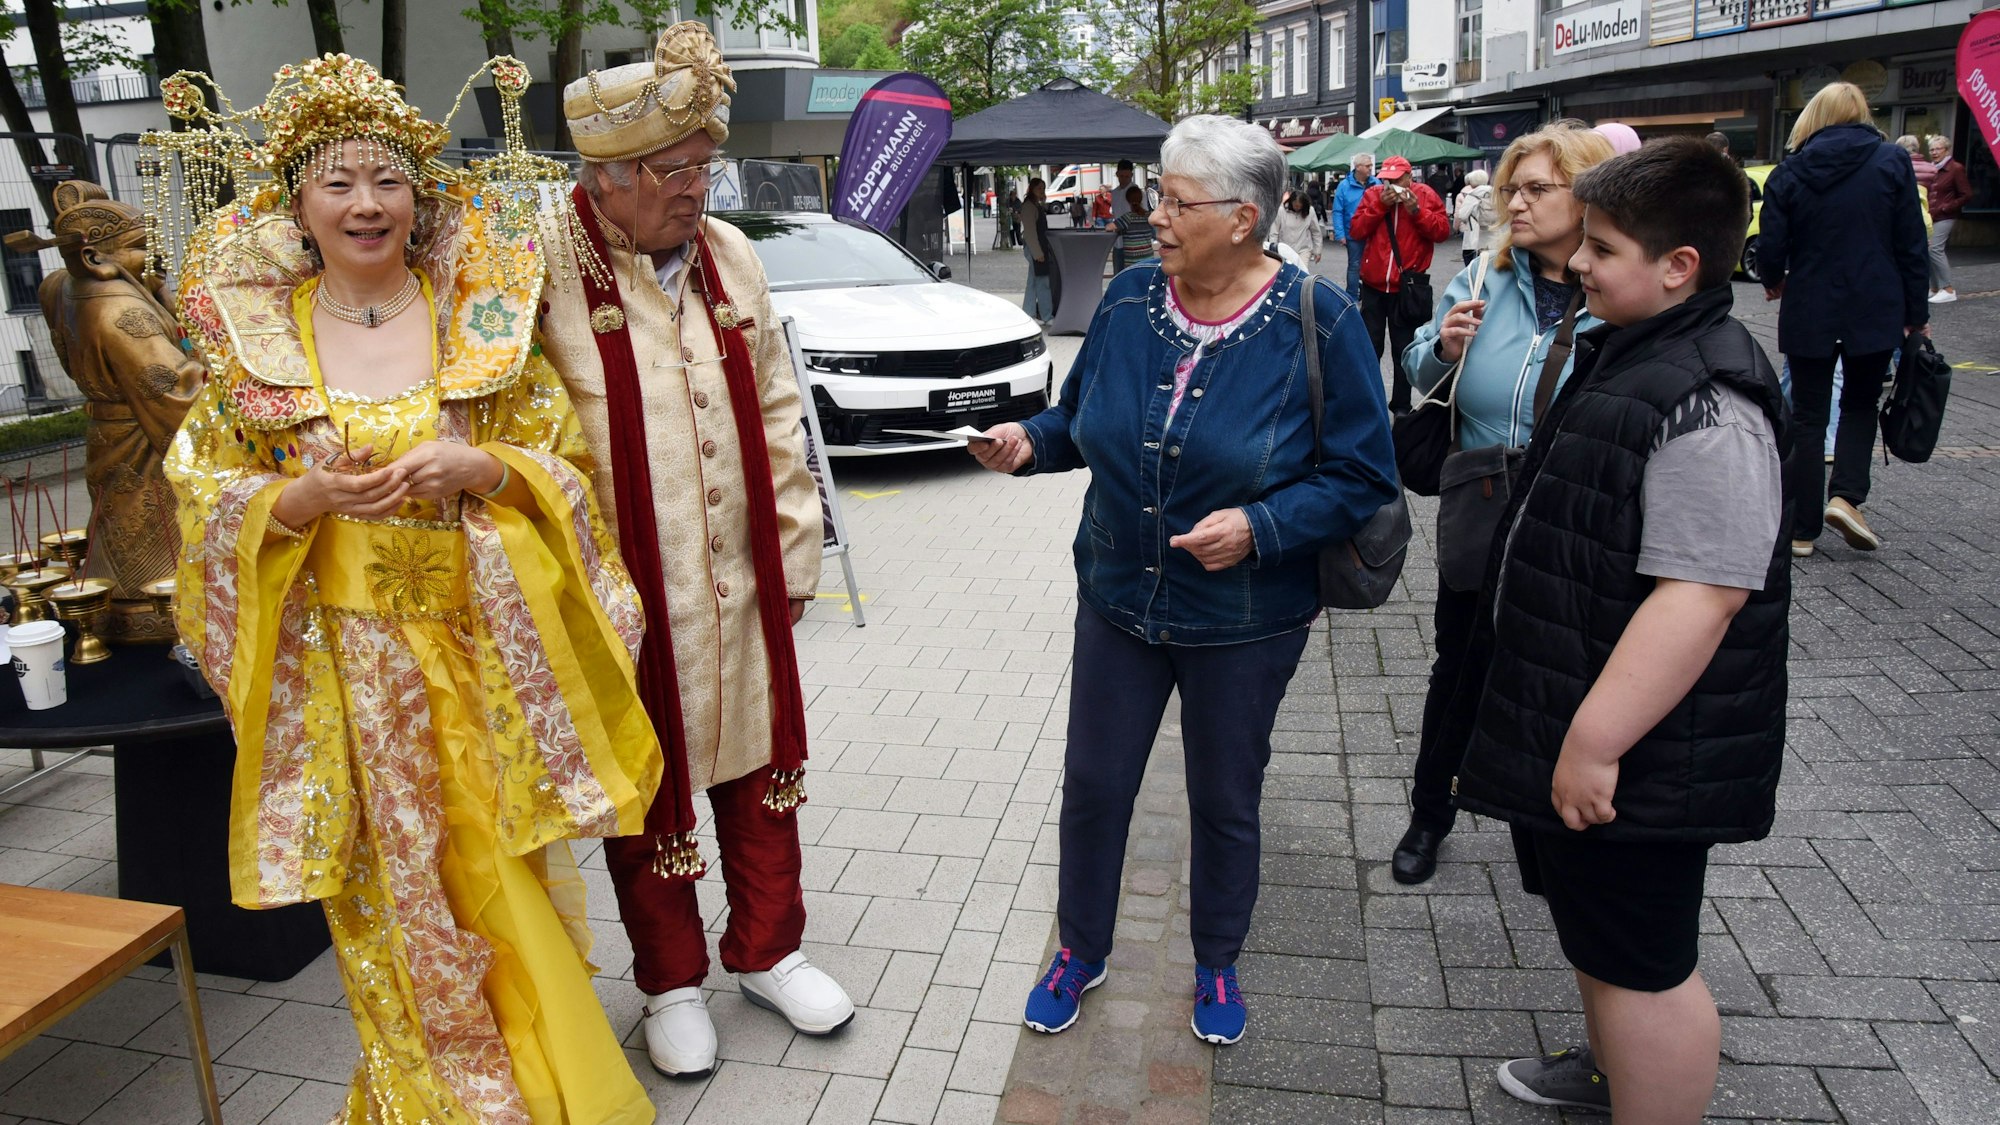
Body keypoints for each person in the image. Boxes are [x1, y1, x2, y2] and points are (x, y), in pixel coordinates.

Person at [158, 54, 664, 1121]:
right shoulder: (256, 343)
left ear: (418, 198)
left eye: (387, 179)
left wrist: (483, 468)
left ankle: (544, 1089)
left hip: (478, 658)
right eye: (337, 181)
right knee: (391, 891)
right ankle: (432, 1096)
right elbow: (201, 497)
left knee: (497, 874)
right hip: (345, 680)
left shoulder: (481, 323)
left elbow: (566, 468)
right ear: (297, 203)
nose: (366, 203)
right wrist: (296, 501)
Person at [968, 114, 1396, 1048]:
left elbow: (1365, 476)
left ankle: (1217, 960)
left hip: (1246, 616)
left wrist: (1260, 527)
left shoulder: (1318, 319)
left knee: (1224, 800)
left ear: (1243, 218)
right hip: (1119, 597)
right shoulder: (1129, 299)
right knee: (1094, 786)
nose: (1154, 215)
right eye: (1158, 196)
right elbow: (1076, 420)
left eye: (1176, 201)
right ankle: (1080, 949)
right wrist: (1026, 442)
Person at [1448, 137, 1790, 1123]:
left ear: (1678, 266)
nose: (1581, 262)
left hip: (1643, 753)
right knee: (1600, 938)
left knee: (1644, 966)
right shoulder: (1638, 351)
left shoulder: (1706, 397)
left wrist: (1595, 742)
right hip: (1592, 722)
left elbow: (1700, 596)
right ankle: (1609, 1074)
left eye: (1601, 247)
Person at [542, 22, 855, 1078]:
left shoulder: (730, 252)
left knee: (763, 766)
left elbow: (775, 411)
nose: (694, 190)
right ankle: (670, 982)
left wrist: (796, 556)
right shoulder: (541, 269)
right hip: (626, 594)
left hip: (739, 576)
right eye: (672, 171)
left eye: (702, 168)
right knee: (646, 786)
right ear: (608, 175)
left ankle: (768, 950)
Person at [1390, 123, 1615, 887]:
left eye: (1536, 189)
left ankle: (1540, 827)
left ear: (1588, 198)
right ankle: (1430, 813)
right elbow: (1419, 367)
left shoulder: (1614, 291)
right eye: (1512, 189)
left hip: (1570, 520)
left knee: (1554, 673)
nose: (1515, 202)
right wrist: (1442, 348)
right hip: (1484, 504)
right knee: (1460, 666)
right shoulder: (1484, 275)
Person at [1755, 81, 1928, 557]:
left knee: (1808, 415)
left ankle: (1802, 529)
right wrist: (1916, 313)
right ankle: (1847, 498)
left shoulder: (1790, 171)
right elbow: (1911, 243)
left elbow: (1771, 242)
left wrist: (1773, 279)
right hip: (1875, 301)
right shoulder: (1892, 161)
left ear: (1813, 116)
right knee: (1860, 404)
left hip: (1810, 302)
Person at [1349, 154, 1452, 411]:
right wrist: (1379, 206)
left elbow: (1442, 232)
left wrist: (1416, 211)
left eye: (1397, 180)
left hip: (1407, 287)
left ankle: (1401, 405)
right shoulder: (1373, 195)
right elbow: (1357, 230)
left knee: (1403, 349)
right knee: (1370, 346)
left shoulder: (1425, 195)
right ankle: (1369, 401)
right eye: (1387, 180)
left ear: (1409, 177)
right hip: (1373, 286)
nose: (1391, 185)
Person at [1927, 135, 1968, 304]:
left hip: (1945, 216)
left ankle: (1948, 289)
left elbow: (1966, 194)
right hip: (1931, 215)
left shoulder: (1955, 168)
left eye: (1938, 149)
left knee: (1935, 249)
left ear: (1947, 150)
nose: (1934, 152)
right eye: (1932, 149)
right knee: (1928, 250)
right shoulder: (1932, 168)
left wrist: (1946, 207)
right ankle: (1935, 288)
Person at [1332, 153, 1378, 296]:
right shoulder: (1344, 186)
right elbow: (1337, 211)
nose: (1370, 168)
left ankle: (1369, 294)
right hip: (1353, 233)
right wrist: (1340, 234)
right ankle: (1352, 296)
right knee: (1355, 265)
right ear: (1358, 167)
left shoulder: (1377, 183)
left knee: (1373, 264)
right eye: (1367, 166)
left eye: (1371, 165)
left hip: (1374, 233)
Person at [1022, 177, 1055, 322]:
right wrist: (1037, 253)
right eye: (1039, 188)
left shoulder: (1034, 205)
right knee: (1042, 282)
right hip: (1036, 248)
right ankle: (1046, 315)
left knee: (1033, 282)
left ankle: (1029, 313)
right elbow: (1030, 232)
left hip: (1037, 247)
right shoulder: (1030, 207)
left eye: (1043, 188)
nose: (1042, 191)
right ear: (1032, 189)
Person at [1452, 168, 1494, 265]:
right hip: (1492, 238)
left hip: (1473, 238)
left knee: (1471, 266)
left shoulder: (1471, 195)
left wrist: (1456, 227)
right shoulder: (1494, 193)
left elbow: (1462, 215)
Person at [1271, 189, 1323, 268]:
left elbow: (1316, 232)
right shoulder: (1281, 211)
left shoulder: (1310, 211)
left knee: (1302, 271)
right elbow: (1274, 232)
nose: (1297, 208)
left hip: (1303, 249)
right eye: (1295, 205)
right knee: (1287, 272)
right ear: (1291, 202)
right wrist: (1273, 250)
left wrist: (1317, 251)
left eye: (1299, 206)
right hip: (1285, 249)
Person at [1114, 184, 1153, 272]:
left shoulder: (1128, 217)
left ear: (1127, 201)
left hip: (1132, 261)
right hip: (1148, 257)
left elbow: (1109, 227)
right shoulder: (1148, 216)